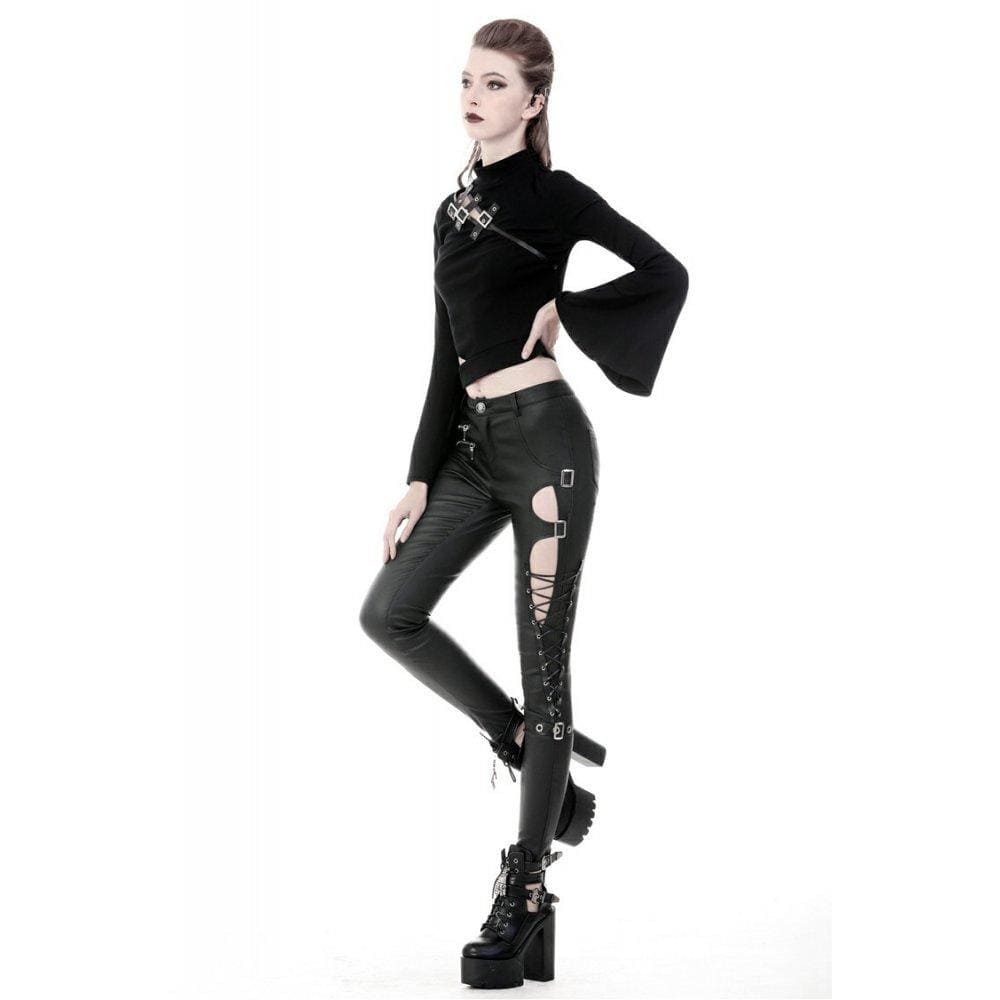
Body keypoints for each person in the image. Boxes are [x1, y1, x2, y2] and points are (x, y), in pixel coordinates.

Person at [358, 18, 689, 989]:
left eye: (496, 83)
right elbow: (444, 353)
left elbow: (666, 273)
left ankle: (527, 889)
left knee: (547, 670)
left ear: (535, 100)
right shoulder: (450, 209)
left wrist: (569, 312)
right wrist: (419, 476)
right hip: (471, 453)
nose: (474, 95)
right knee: (389, 611)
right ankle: (525, 744)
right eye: (467, 79)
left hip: (548, 448)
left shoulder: (553, 195)